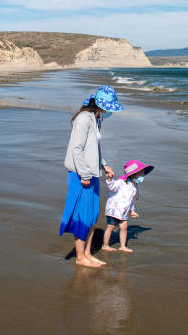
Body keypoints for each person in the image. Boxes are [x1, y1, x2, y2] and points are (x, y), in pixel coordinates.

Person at [59, 85, 123, 268]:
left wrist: (104, 165)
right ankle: (80, 258)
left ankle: (87, 254)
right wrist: (85, 174)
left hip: (92, 173)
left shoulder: (96, 119)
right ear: (100, 104)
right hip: (81, 175)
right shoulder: (83, 119)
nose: (110, 111)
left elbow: (94, 149)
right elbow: (76, 149)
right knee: (81, 215)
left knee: (92, 215)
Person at [102, 159, 154, 253]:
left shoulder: (134, 186)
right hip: (113, 209)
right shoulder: (121, 182)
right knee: (111, 227)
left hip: (123, 211)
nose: (142, 176)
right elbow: (112, 186)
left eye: (142, 174)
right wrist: (110, 179)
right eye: (140, 174)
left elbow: (131, 201)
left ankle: (122, 246)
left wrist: (132, 210)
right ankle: (105, 245)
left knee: (124, 227)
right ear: (132, 174)